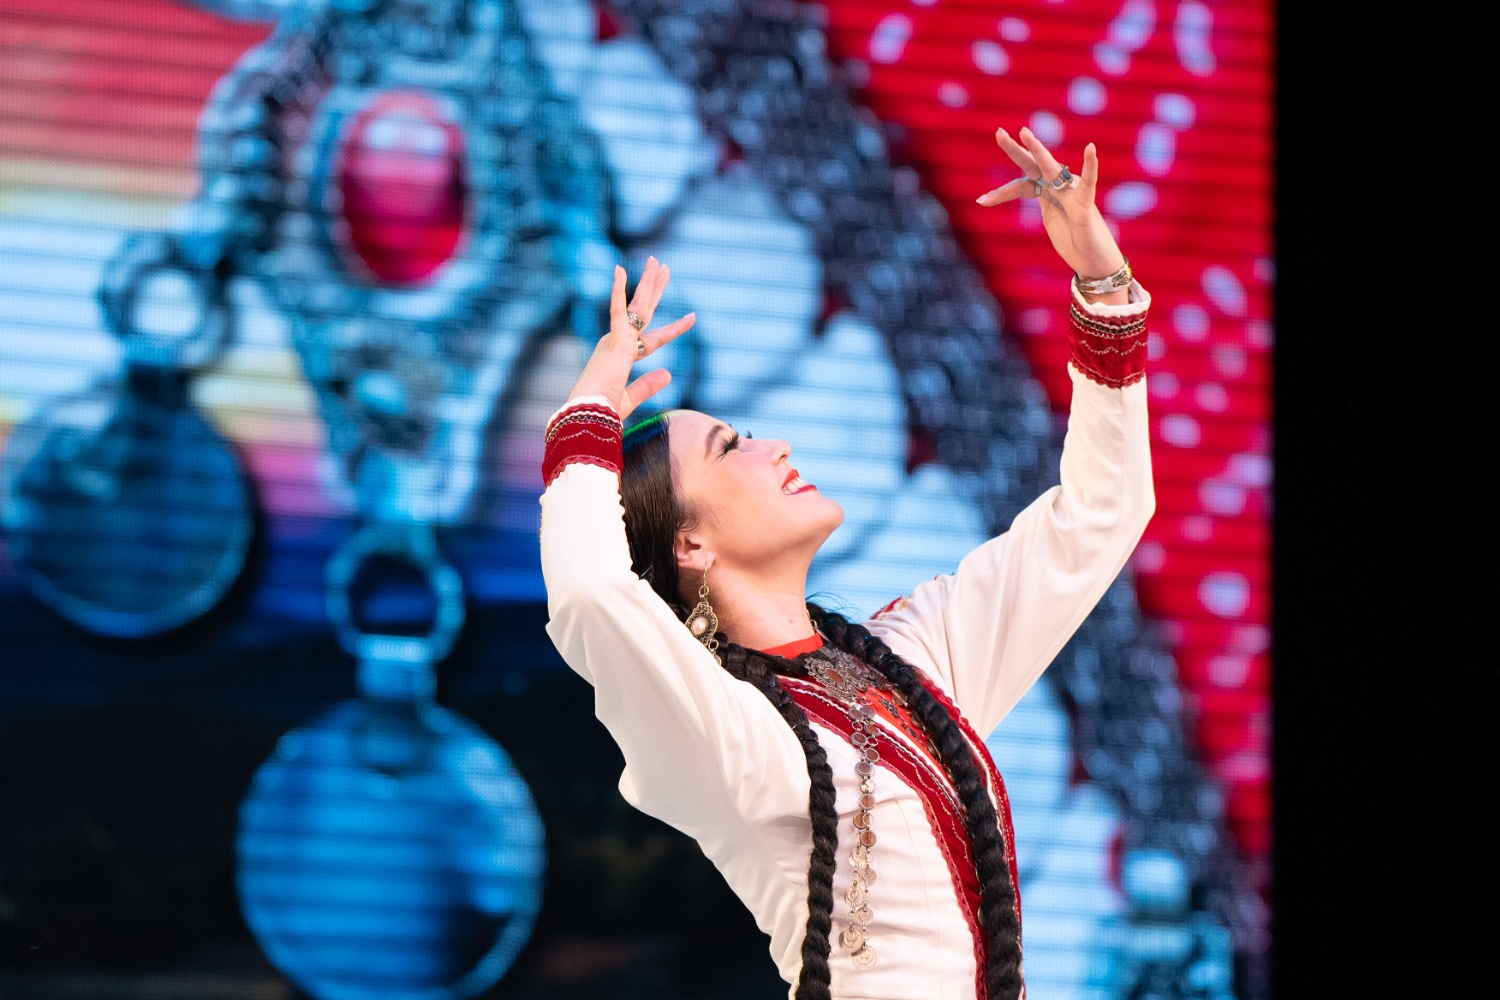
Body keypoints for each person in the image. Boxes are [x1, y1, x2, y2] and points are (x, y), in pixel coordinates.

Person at [538, 124, 1154, 1000]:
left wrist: (1102, 283)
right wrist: (587, 416)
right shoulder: (722, 729)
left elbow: (1100, 515)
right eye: (731, 448)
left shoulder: (911, 661)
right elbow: (592, 591)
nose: (775, 447)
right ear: (690, 545)